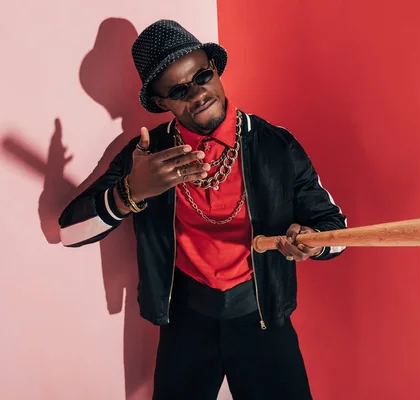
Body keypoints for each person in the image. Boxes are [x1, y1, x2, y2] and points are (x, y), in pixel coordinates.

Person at [58, 19, 347, 399]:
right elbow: (69, 232)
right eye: (178, 90)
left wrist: (312, 241)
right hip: (185, 324)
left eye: (202, 75)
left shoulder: (276, 146)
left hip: (263, 319)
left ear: (214, 65)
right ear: (161, 102)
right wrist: (131, 191)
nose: (198, 94)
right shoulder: (146, 156)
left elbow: (335, 230)